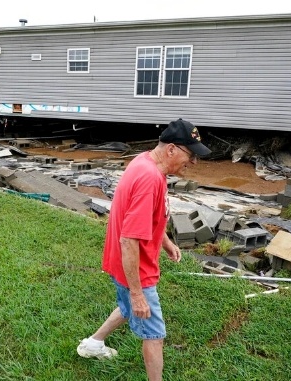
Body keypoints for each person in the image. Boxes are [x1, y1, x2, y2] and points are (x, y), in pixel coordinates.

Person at [77, 118, 212, 381]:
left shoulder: (145, 162)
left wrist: (166, 242)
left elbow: (151, 217)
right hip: (136, 269)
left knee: (128, 309)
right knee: (155, 335)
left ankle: (93, 344)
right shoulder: (150, 178)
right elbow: (129, 240)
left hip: (122, 265)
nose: (193, 163)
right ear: (172, 149)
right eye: (190, 155)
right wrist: (137, 292)